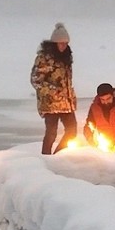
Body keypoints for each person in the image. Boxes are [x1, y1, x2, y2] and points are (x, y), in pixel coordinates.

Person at [30, 22, 77, 154]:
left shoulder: (67, 57)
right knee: (51, 133)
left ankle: (58, 156)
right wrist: (53, 91)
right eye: (61, 43)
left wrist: (70, 96)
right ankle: (46, 158)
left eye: (66, 43)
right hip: (50, 103)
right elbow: (35, 80)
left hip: (66, 103)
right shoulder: (44, 58)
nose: (63, 46)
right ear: (54, 43)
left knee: (72, 131)